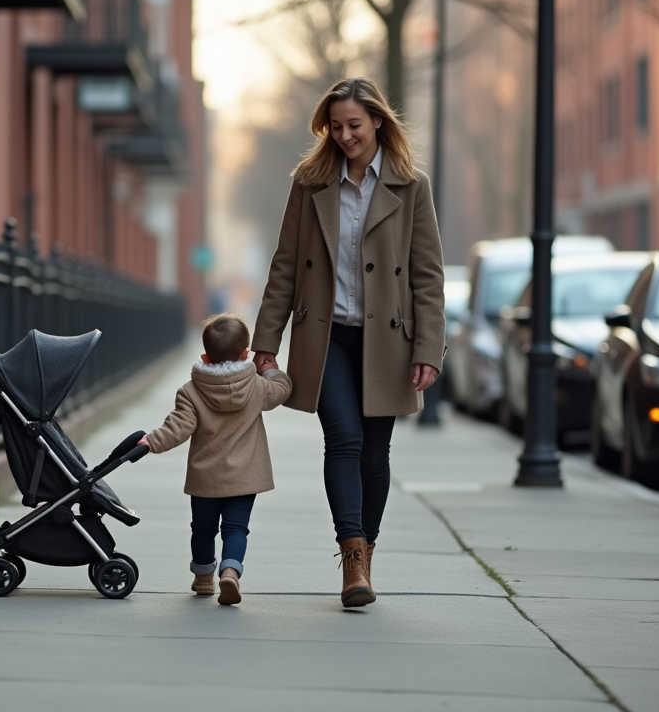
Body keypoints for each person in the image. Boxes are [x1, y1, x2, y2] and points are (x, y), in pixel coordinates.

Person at [251, 76, 445, 608]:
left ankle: (368, 547)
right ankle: (352, 556)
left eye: (354, 125)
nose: (344, 136)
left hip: (387, 341)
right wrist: (266, 340)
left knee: (376, 453)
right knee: (343, 440)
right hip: (327, 335)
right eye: (335, 126)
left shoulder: (411, 186)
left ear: (378, 121)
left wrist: (429, 348)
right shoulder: (310, 181)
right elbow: (286, 266)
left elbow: (428, 275)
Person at [139, 313, 292, 605]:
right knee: (236, 528)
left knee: (203, 529)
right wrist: (271, 370)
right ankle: (231, 571)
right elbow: (282, 391)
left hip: (205, 479)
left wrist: (151, 441)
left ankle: (203, 577)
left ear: (205, 356)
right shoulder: (257, 387)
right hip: (245, 477)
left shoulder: (192, 391)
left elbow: (178, 427)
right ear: (246, 354)